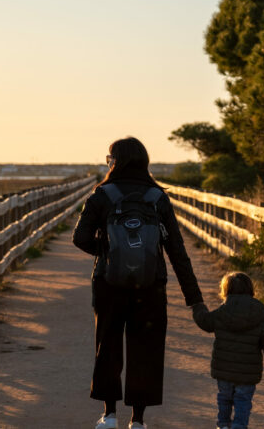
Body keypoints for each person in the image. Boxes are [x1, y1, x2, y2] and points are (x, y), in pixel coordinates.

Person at [73, 136, 204, 429]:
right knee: (146, 348)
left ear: (115, 161)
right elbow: (178, 252)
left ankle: (108, 416)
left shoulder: (102, 195)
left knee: (107, 345)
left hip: (109, 283)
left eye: (109, 158)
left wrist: (108, 252)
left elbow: (79, 238)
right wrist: (194, 299)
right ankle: (139, 421)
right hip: (151, 285)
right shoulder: (158, 198)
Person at [191, 272, 264, 429]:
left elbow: (205, 321)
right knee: (243, 400)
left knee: (224, 398)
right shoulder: (259, 314)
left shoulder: (222, 312)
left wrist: (197, 305)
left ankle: (223, 425)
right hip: (248, 372)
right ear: (250, 289)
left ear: (226, 290)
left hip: (224, 370)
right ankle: (239, 426)